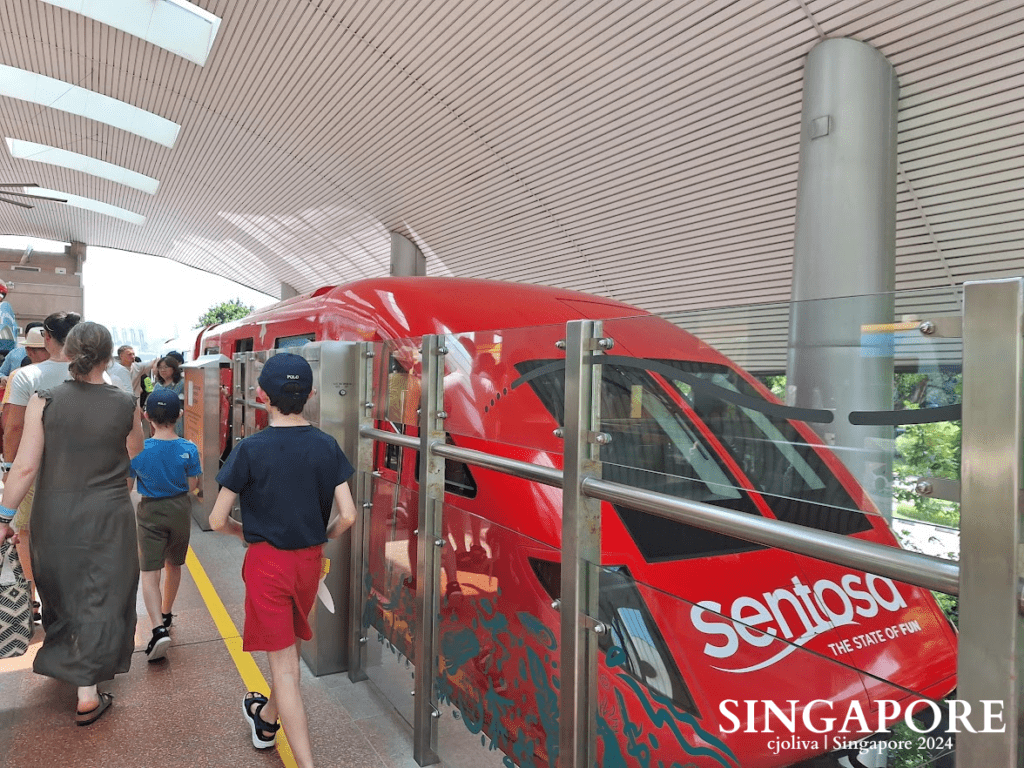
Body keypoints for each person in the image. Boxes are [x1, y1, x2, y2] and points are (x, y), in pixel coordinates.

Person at [209, 353, 357, 767]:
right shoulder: (327, 445)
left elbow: (217, 519)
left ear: (262, 396)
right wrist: (320, 538)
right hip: (309, 564)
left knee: (285, 668)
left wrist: (243, 533)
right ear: (310, 394)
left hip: (267, 564)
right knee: (286, 650)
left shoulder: (250, 449)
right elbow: (348, 515)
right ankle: (266, 721)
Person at [0, 321, 143, 726]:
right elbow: (136, 451)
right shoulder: (125, 403)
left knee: (62, 591)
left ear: (67, 353)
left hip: (55, 513)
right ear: (108, 356)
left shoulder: (45, 401)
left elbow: (25, 467)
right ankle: (87, 690)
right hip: (109, 513)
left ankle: (76, 673)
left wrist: (4, 518)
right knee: (103, 594)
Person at [1, 312, 82, 620]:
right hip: (82, 472)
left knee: (27, 533)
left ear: (47, 338)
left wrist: (9, 467)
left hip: (35, 471)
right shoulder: (100, 375)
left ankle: (35, 600)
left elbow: (14, 428)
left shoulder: (27, 377)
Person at [129, 389, 202, 661]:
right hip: (180, 509)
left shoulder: (138, 451)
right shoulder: (188, 448)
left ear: (146, 416)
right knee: (175, 564)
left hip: (149, 510)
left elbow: (127, 485)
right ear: (179, 415)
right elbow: (193, 486)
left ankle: (158, 627)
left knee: (150, 572)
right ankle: (168, 612)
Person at [152, 355, 185, 436]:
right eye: (160, 367)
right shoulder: (158, 385)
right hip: (160, 425)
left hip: (178, 424)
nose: (162, 370)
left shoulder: (182, 384)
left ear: (174, 368)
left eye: (166, 367)